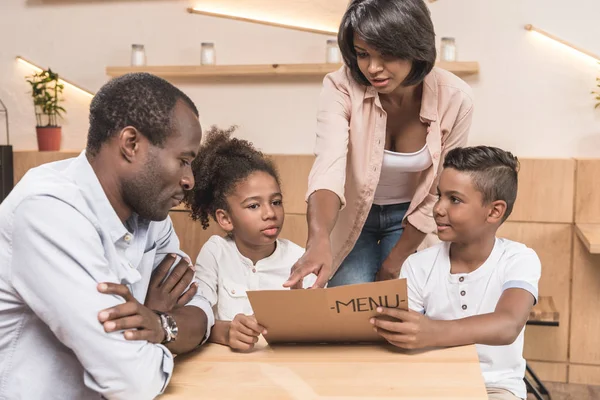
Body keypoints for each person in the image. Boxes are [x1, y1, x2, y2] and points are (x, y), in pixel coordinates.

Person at [0, 73, 214, 399]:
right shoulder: (47, 211)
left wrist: (159, 323)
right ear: (131, 144)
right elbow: (132, 380)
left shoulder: (151, 211)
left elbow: (199, 307)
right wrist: (165, 330)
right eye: (183, 161)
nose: (189, 180)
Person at [285, 0, 474, 290]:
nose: (373, 68)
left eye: (386, 54)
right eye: (362, 54)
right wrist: (319, 238)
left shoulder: (456, 98)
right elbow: (328, 165)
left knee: (403, 304)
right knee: (348, 306)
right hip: (351, 214)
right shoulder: (340, 86)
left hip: (411, 219)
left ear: (415, 45)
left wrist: (394, 262)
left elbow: (439, 191)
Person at [371, 146, 541, 400]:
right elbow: (406, 340)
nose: (438, 208)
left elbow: (508, 324)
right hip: (430, 385)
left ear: (494, 211)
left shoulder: (518, 259)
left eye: (455, 199)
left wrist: (433, 332)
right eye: (440, 195)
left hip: (494, 388)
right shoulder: (418, 265)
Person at [186, 127, 315, 351]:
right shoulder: (216, 252)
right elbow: (196, 314)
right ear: (225, 219)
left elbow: (319, 326)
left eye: (276, 202)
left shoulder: (300, 259)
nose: (270, 213)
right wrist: (226, 332)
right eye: (254, 206)